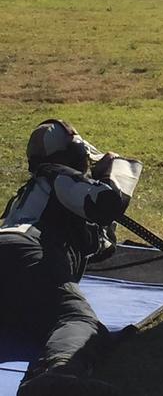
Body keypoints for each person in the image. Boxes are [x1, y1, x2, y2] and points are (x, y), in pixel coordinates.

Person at [0, 119, 136, 396]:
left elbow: (99, 245)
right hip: (27, 253)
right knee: (78, 321)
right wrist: (114, 170)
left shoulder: (27, 195)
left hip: (14, 252)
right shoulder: (59, 175)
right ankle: (59, 374)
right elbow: (106, 202)